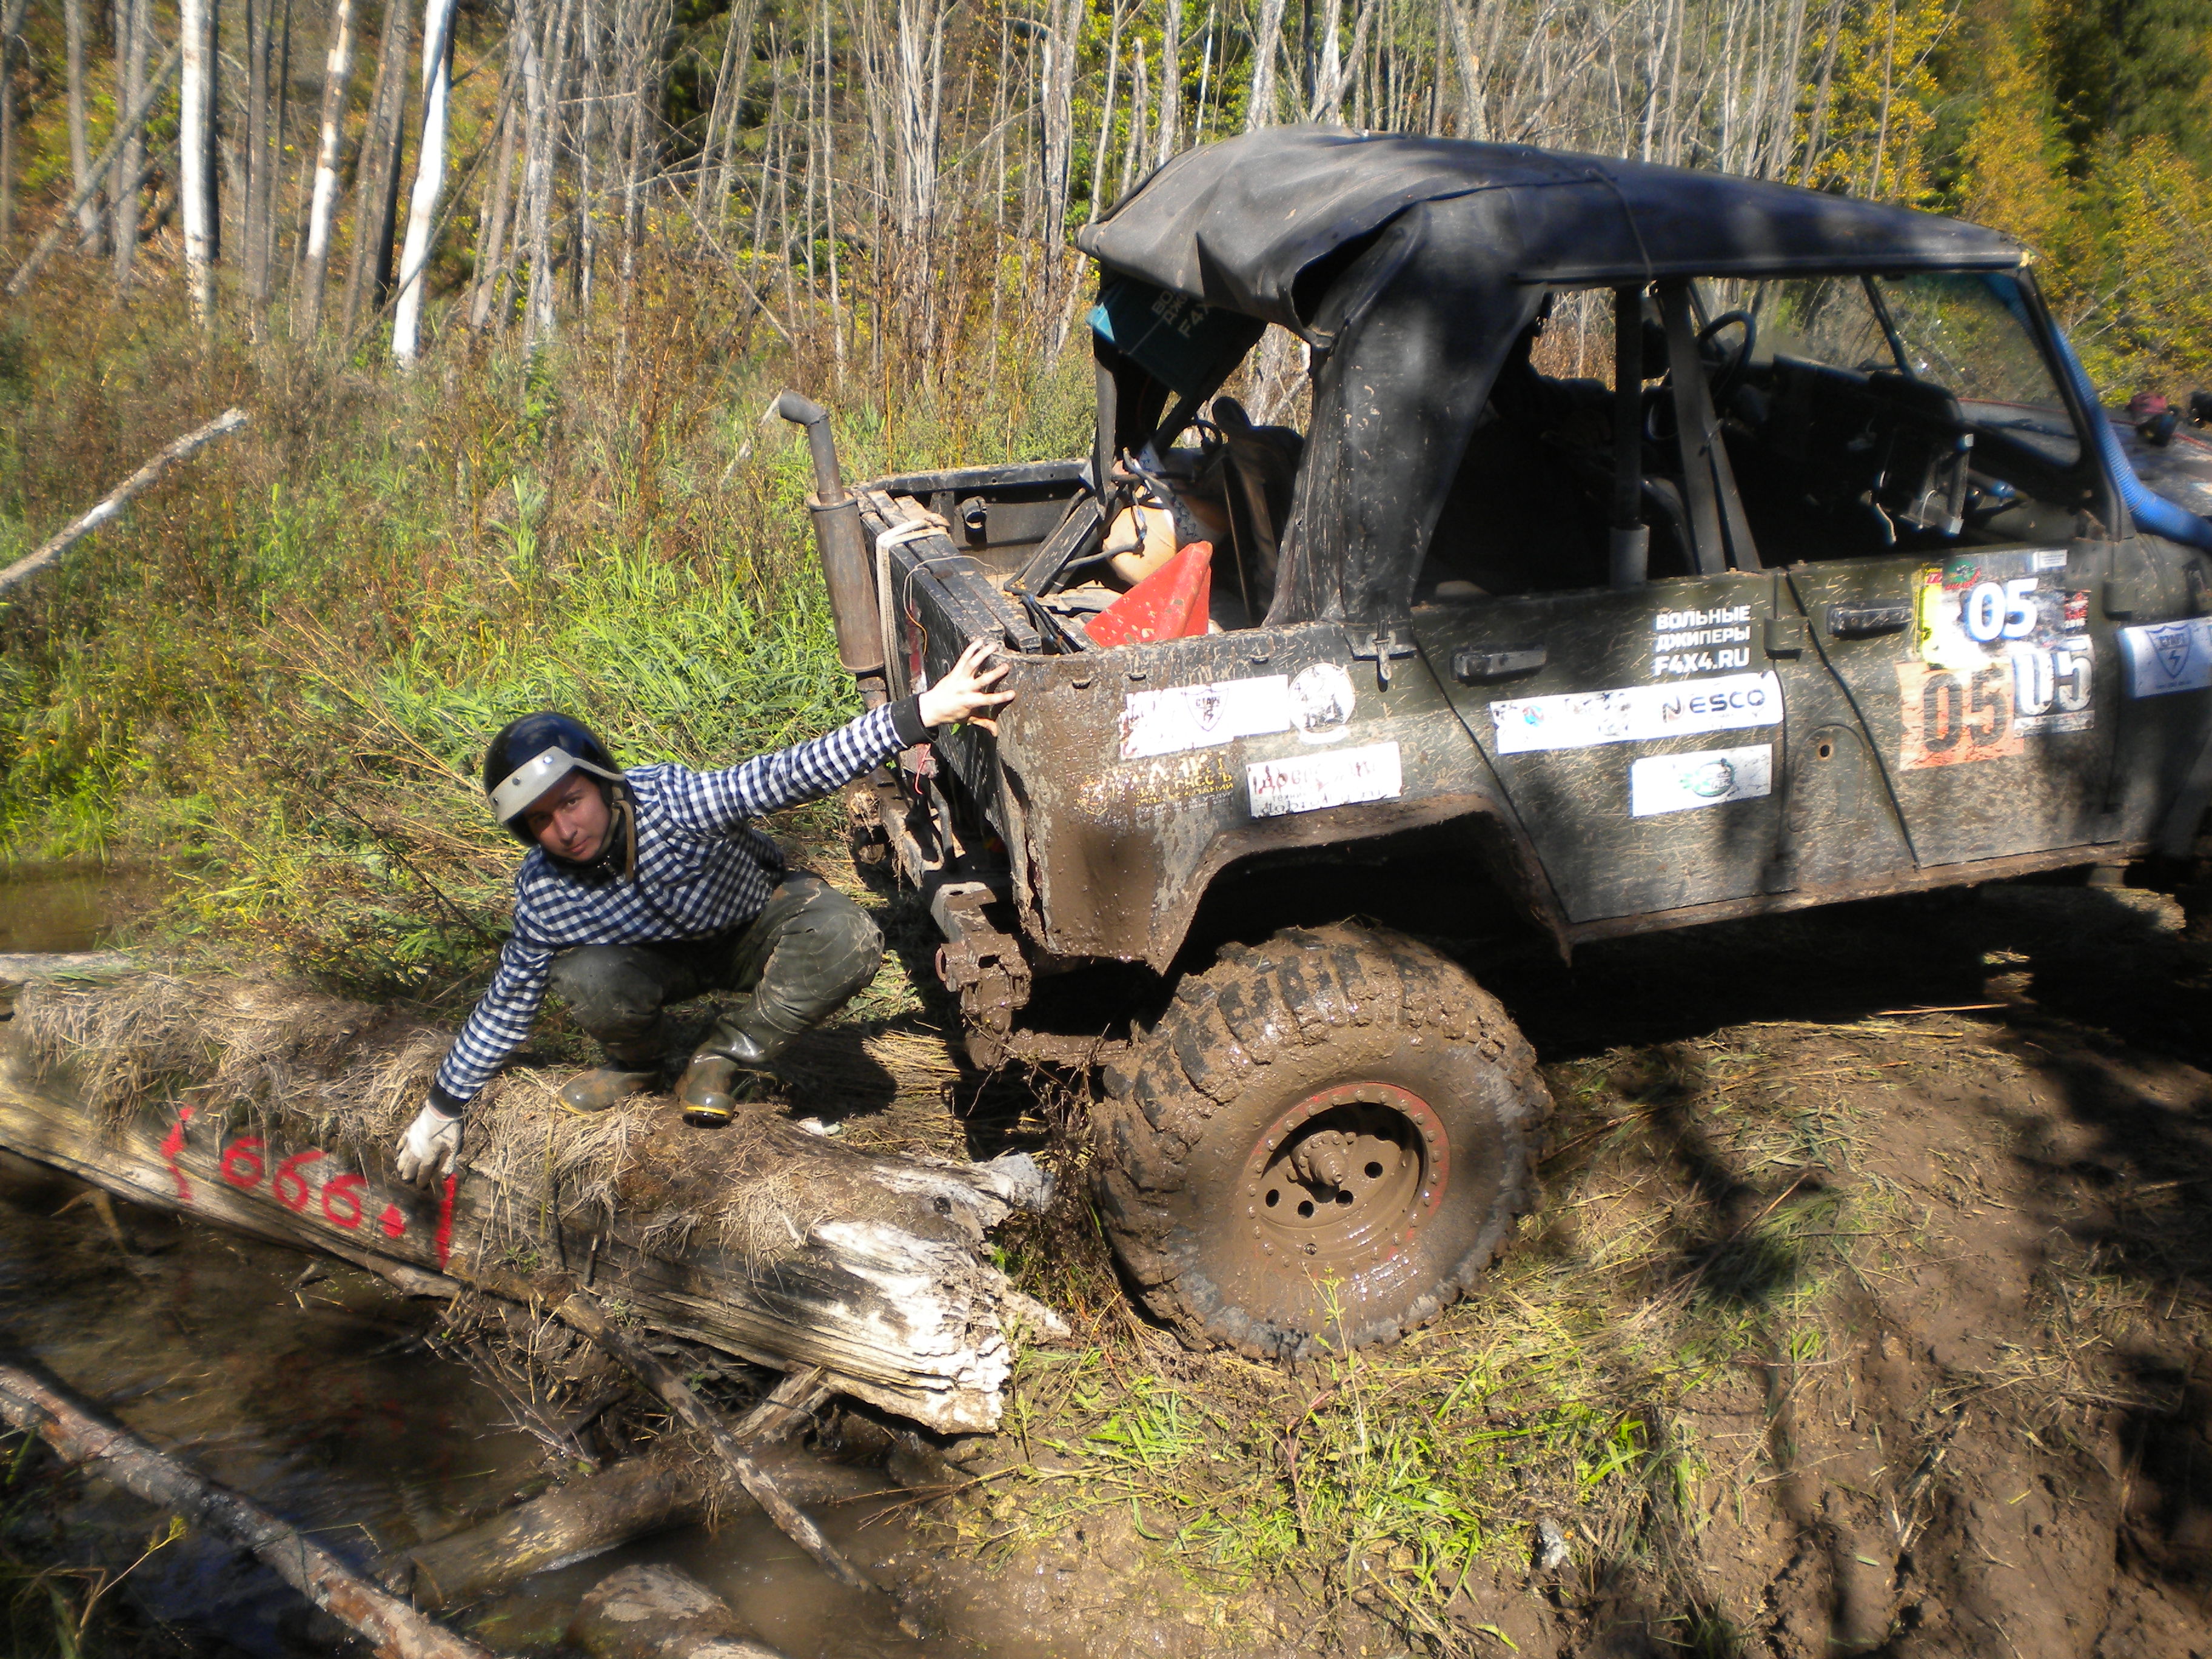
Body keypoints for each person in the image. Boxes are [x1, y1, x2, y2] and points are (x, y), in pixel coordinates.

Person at [392, 639, 1013, 1185]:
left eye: (572, 802)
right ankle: (641, 1065)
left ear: (602, 782)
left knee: (846, 935)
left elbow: (787, 774)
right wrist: (441, 1110)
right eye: (541, 820)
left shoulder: (673, 802)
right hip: (662, 962)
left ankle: (723, 1055)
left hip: (754, 926)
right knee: (584, 977)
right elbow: (507, 1005)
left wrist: (921, 714)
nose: (565, 828)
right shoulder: (545, 891)